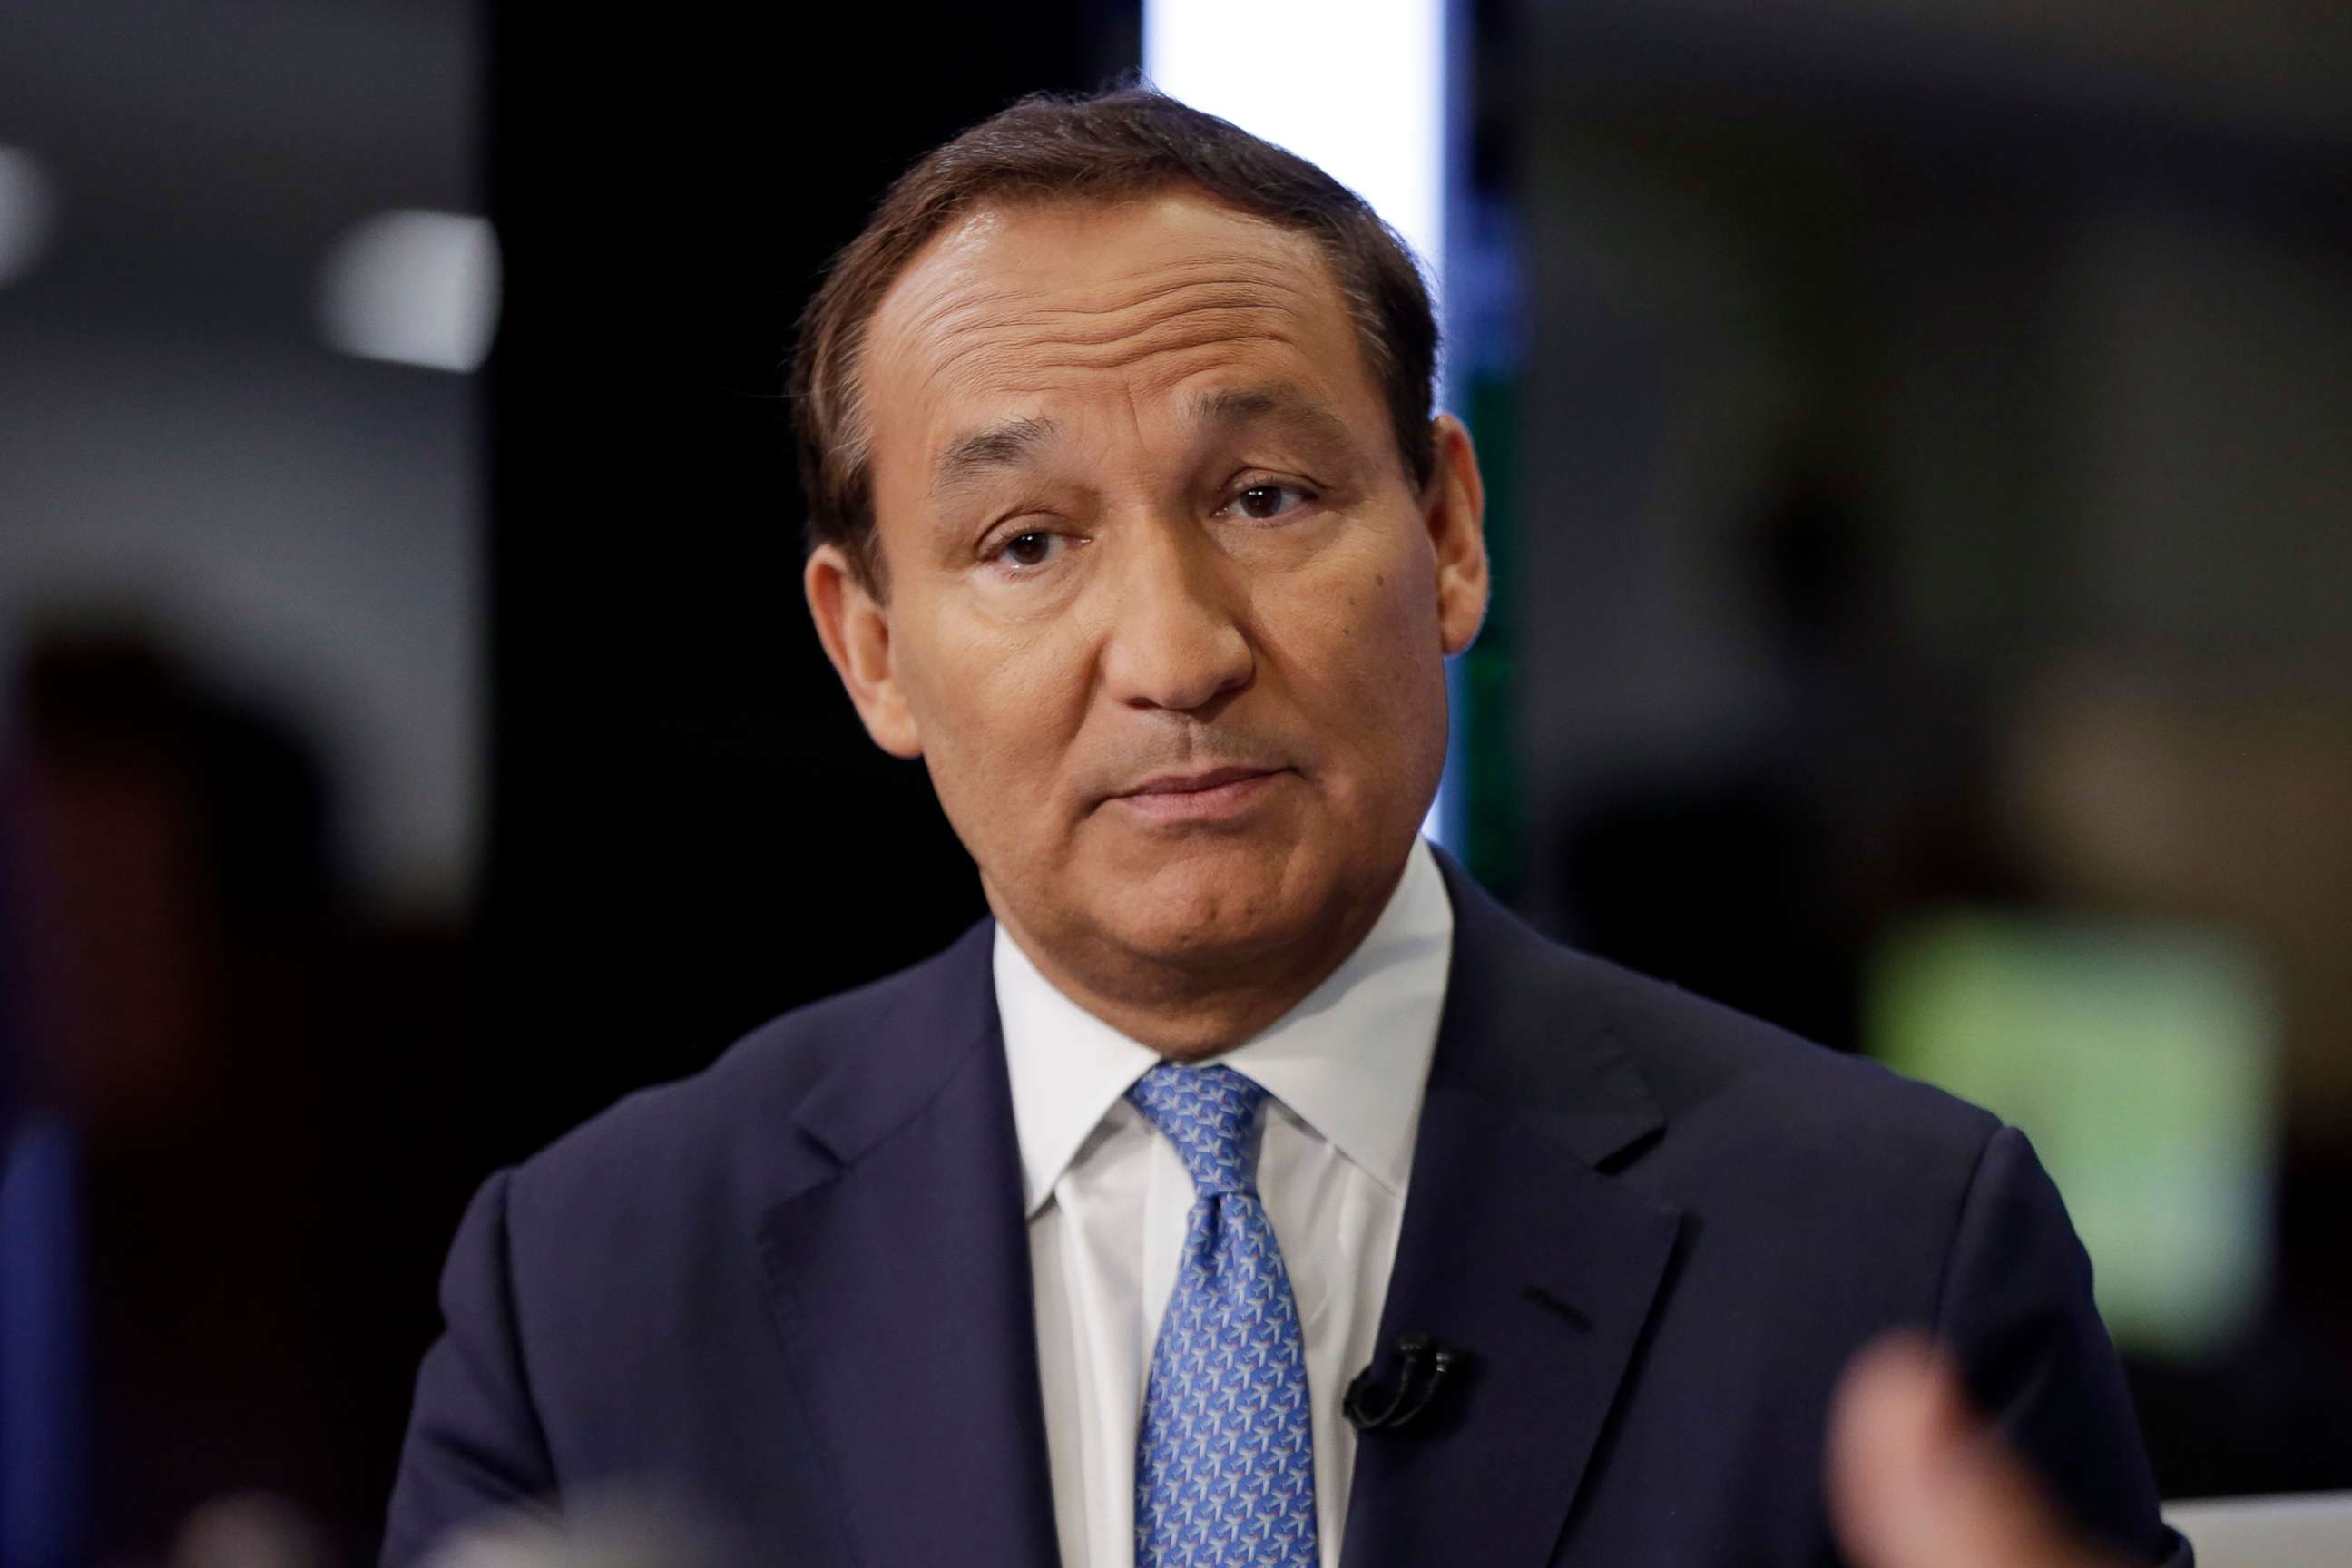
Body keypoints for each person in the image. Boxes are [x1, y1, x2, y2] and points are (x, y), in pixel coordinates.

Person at [384, 89, 2190, 1568]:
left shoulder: (1890, 1253)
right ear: (873, 651)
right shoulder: (594, 1290)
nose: (1177, 651)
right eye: (1028, 544)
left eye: (1265, 496)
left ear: (1449, 536)